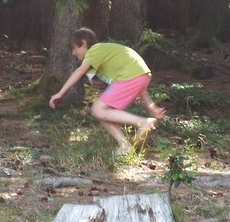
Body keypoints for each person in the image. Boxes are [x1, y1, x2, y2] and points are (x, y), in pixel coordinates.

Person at [49, 27, 166, 155]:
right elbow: (140, 84)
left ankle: (142, 122)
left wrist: (60, 93)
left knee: (97, 109)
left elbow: (79, 71)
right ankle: (125, 146)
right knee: (102, 111)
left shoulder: (94, 50)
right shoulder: (101, 56)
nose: (73, 53)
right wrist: (151, 106)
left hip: (130, 76)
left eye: (74, 48)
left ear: (83, 43)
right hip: (141, 76)